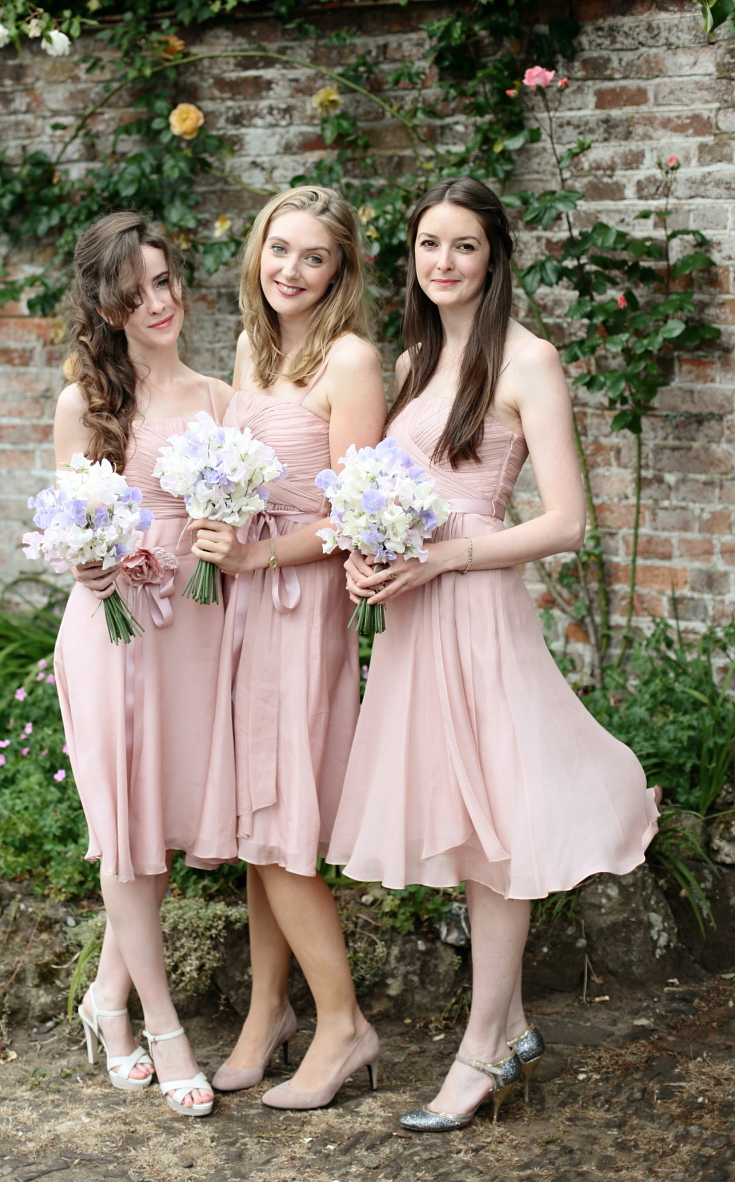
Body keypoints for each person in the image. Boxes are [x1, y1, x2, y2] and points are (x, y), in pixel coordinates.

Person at [327, 176, 660, 1131]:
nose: (442, 263)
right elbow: (393, 489)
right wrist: (370, 557)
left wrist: (444, 556)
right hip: (416, 621)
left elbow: (565, 522)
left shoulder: (529, 362)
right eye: (428, 244)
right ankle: (507, 1030)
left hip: (476, 613)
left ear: (494, 256)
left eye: (463, 246)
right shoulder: (413, 359)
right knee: (469, 827)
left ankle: (479, 1053)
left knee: (499, 826)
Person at [190, 185, 387, 1110]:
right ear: (258, 251)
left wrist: (258, 551)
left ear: (341, 269)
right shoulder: (252, 350)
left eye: (314, 257)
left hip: (301, 607)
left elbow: (354, 514)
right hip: (243, 603)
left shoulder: (352, 363)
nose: (291, 271)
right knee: (252, 824)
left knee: (280, 824)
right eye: (280, 250)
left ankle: (343, 1024)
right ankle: (268, 1012)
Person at [52, 212, 236, 1118]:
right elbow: (71, 524)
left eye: (165, 281)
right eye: (137, 290)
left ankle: (105, 998)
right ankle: (163, 1030)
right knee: (124, 829)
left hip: (189, 629)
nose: (158, 302)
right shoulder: (86, 403)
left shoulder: (217, 396)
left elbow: (243, 513)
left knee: (154, 829)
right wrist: (88, 558)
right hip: (114, 624)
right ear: (107, 304)